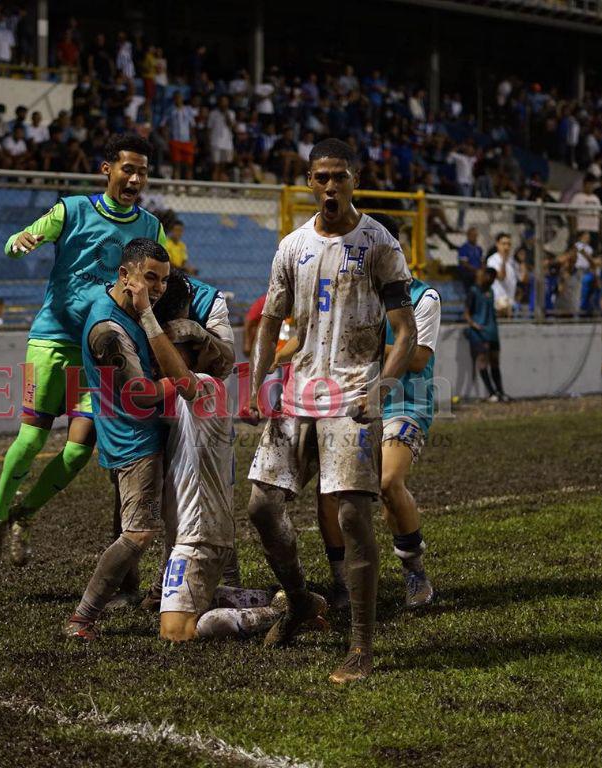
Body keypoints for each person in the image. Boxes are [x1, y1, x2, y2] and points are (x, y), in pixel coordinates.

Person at [244, 138, 417, 684]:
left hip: (351, 397)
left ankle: (360, 646)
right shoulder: (292, 246)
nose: (330, 186)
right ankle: (300, 601)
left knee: (351, 517)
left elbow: (406, 331)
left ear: (354, 180)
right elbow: (271, 321)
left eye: (340, 176)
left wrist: (381, 388)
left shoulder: (379, 242)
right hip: (298, 393)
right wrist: (255, 384)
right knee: (261, 506)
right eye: (321, 177)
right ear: (310, 182)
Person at [0, 134, 166, 571]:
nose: (135, 179)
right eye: (128, 169)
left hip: (100, 351)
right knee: (31, 438)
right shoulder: (72, 210)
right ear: (107, 170)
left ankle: (25, 515)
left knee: (79, 451)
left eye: (142, 172)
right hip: (52, 340)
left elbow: (161, 280)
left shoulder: (151, 227)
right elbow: (15, 242)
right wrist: (20, 241)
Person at [147, 273, 293, 642]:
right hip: (189, 530)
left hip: (199, 533)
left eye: (172, 348)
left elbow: (172, 379)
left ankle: (286, 610)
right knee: (198, 607)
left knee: (176, 633)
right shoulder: (179, 393)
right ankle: (267, 598)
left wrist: (147, 318)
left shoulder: (207, 388)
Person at [65, 239, 191, 639]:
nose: (159, 288)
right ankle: (82, 617)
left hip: (131, 434)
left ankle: (150, 592)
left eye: (164, 280)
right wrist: (186, 380)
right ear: (125, 275)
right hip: (134, 442)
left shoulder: (126, 308)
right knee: (139, 532)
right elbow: (141, 393)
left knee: (148, 520)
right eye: (150, 278)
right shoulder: (108, 330)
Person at [317, 213, 441, 611]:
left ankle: (415, 572)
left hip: (404, 402)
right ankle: (341, 582)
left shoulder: (423, 297)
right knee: (329, 492)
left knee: (388, 483)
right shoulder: (347, 294)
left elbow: (418, 359)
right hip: (352, 400)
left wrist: (362, 339)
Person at [464, 267, 508, 401]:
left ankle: (500, 392)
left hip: (492, 330)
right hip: (479, 332)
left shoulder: (491, 291)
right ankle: (491, 393)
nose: (491, 280)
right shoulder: (474, 291)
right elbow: (466, 312)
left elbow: (491, 310)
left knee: (495, 361)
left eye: (493, 278)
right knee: (482, 360)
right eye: (489, 276)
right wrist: (473, 324)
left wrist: (500, 312)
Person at [486, 232, 518, 318]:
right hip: (498, 303)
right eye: (503, 244)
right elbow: (501, 277)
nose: (506, 247)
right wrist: (503, 260)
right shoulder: (492, 260)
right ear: (497, 244)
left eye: (509, 244)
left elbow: (521, 279)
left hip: (510, 302)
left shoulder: (512, 261)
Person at [457, 226, 482, 291]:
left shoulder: (479, 248)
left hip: (478, 272)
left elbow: (481, 261)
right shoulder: (464, 248)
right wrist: (476, 270)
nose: (474, 237)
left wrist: (482, 270)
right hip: (468, 272)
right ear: (468, 236)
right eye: (472, 235)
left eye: (475, 235)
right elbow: (464, 264)